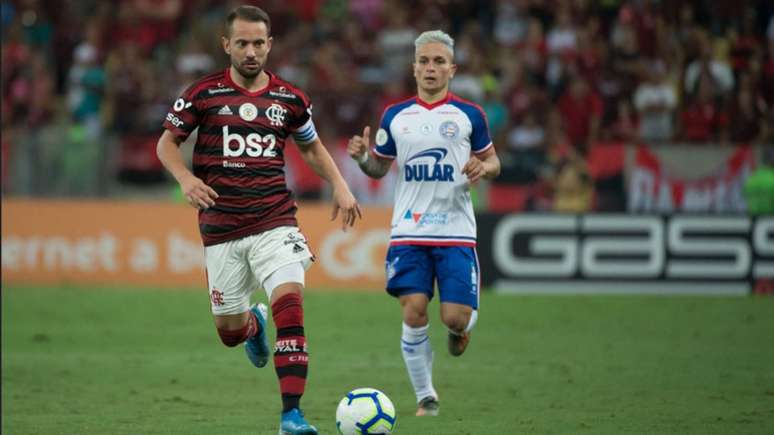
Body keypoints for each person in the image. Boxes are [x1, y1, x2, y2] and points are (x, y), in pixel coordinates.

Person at [156, 6, 361, 434]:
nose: (251, 52)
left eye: (259, 43)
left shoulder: (290, 99)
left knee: (291, 304)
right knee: (229, 332)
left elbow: (310, 147)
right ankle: (253, 324)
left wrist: (340, 184)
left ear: (270, 45)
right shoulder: (202, 94)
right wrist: (185, 178)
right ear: (226, 45)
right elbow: (167, 145)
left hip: (275, 220)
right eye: (242, 43)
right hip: (221, 228)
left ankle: (291, 415)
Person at [346, 30, 501, 417]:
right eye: (424, 62)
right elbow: (380, 168)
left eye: (438, 62)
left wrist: (484, 166)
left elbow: (494, 162)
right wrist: (364, 159)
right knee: (413, 309)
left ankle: (460, 330)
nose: (431, 68)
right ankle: (425, 397)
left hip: (455, 232)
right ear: (414, 68)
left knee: (453, 316)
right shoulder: (396, 116)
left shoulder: (469, 115)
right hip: (409, 232)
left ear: (452, 69)